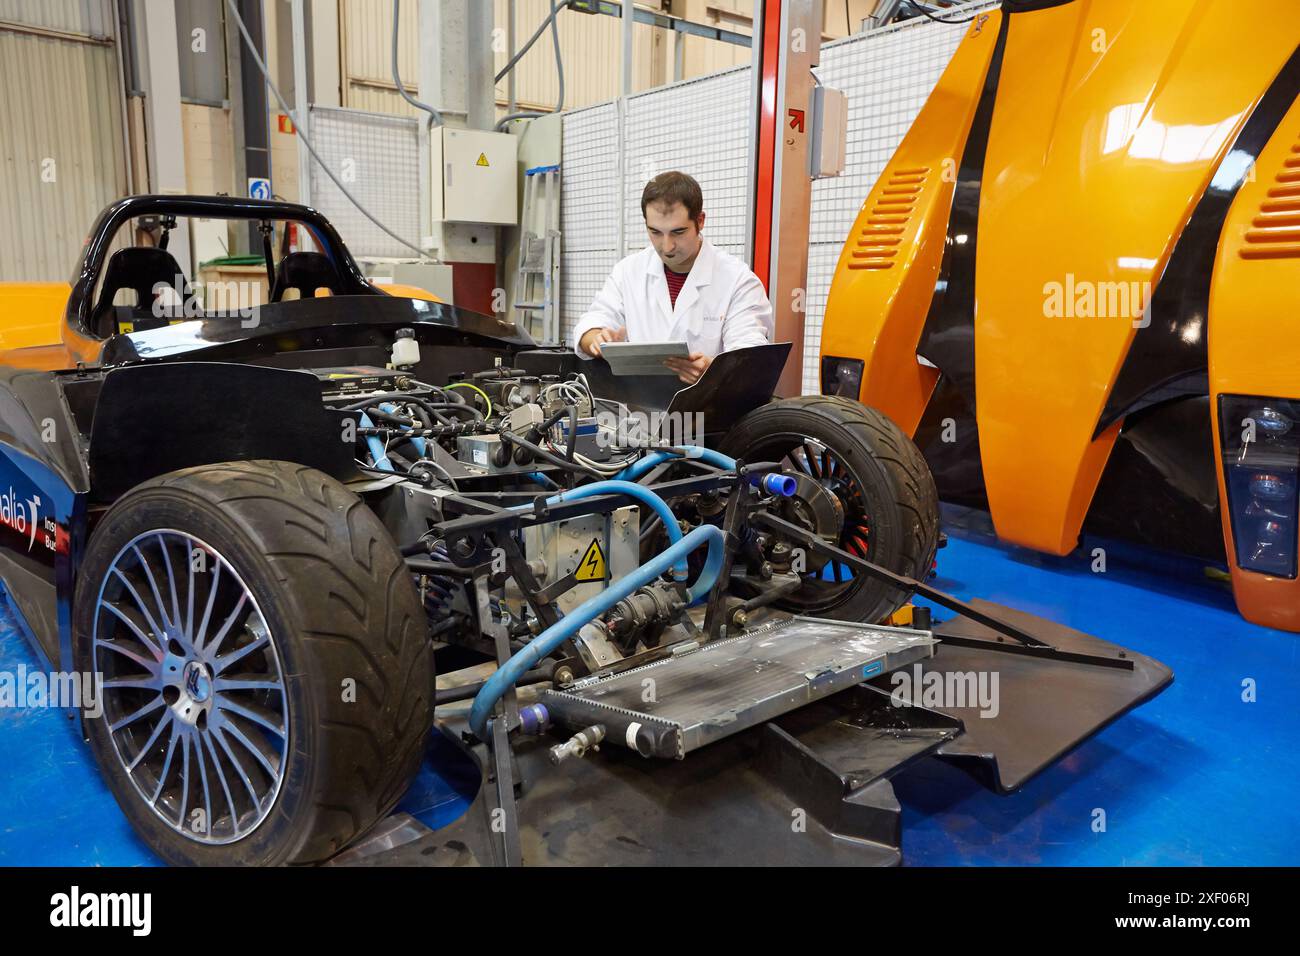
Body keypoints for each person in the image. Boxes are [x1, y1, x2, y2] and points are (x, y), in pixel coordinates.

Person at [572, 171, 774, 385]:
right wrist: (596, 338)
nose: (667, 246)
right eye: (655, 232)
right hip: (640, 413)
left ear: (700, 220)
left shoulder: (738, 281)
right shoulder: (628, 272)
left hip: (710, 412)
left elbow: (750, 357)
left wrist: (714, 371)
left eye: (678, 232)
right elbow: (592, 323)